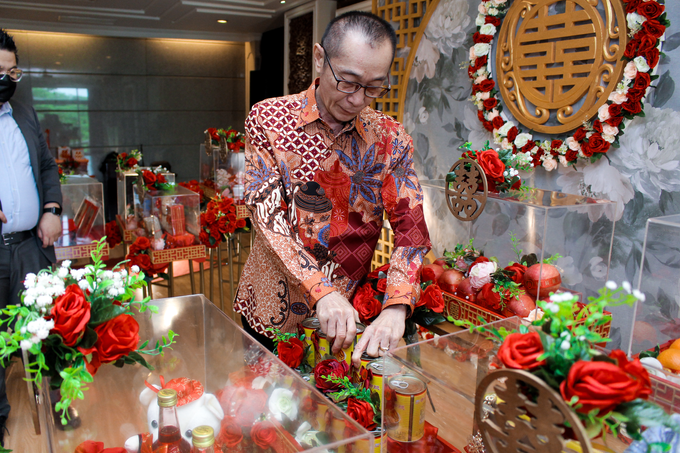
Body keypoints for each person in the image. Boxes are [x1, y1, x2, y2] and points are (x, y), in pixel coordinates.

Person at [234, 11, 431, 368]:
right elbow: (268, 217)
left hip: (347, 318)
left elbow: (410, 227)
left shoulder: (390, 137)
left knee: (334, 415)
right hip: (272, 307)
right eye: (349, 82)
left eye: (373, 87)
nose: (358, 99)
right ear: (320, 58)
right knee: (266, 412)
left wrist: (397, 305)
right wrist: (320, 289)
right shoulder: (268, 119)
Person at [0, 29, 63, 446]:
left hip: (30, 247)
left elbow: (46, 167)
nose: (5, 79)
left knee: (49, 330)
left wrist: (52, 209)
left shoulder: (23, 112)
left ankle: (60, 401)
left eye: (11, 71)